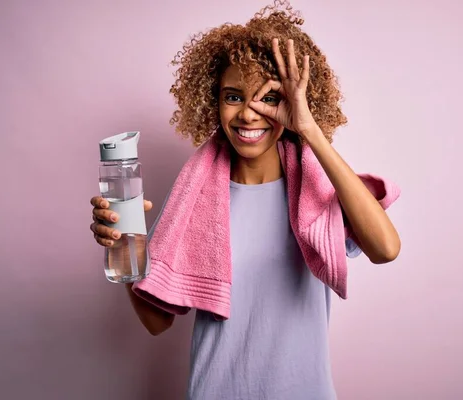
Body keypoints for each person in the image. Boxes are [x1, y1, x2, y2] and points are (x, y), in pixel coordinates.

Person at [90, 1, 400, 398]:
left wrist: (309, 129)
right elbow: (155, 321)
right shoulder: (194, 200)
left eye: (268, 99)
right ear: (213, 101)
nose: (249, 115)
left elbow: (386, 249)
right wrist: (122, 245)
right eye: (233, 96)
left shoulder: (316, 195)